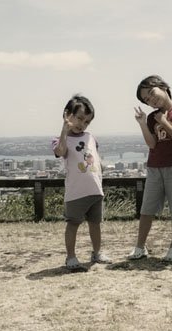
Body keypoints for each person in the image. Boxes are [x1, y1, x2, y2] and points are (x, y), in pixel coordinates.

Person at [128, 75, 172, 262]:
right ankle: (139, 247)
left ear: (163, 87)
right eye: (147, 99)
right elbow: (152, 144)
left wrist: (164, 121)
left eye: (152, 93)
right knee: (146, 208)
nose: (151, 99)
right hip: (155, 166)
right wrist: (142, 123)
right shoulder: (151, 118)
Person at [52, 94, 112, 270]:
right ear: (67, 114)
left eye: (86, 121)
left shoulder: (91, 137)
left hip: (95, 190)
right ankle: (70, 256)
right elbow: (61, 151)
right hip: (76, 192)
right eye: (79, 118)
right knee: (73, 224)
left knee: (95, 224)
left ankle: (97, 252)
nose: (82, 124)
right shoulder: (61, 139)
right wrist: (64, 130)